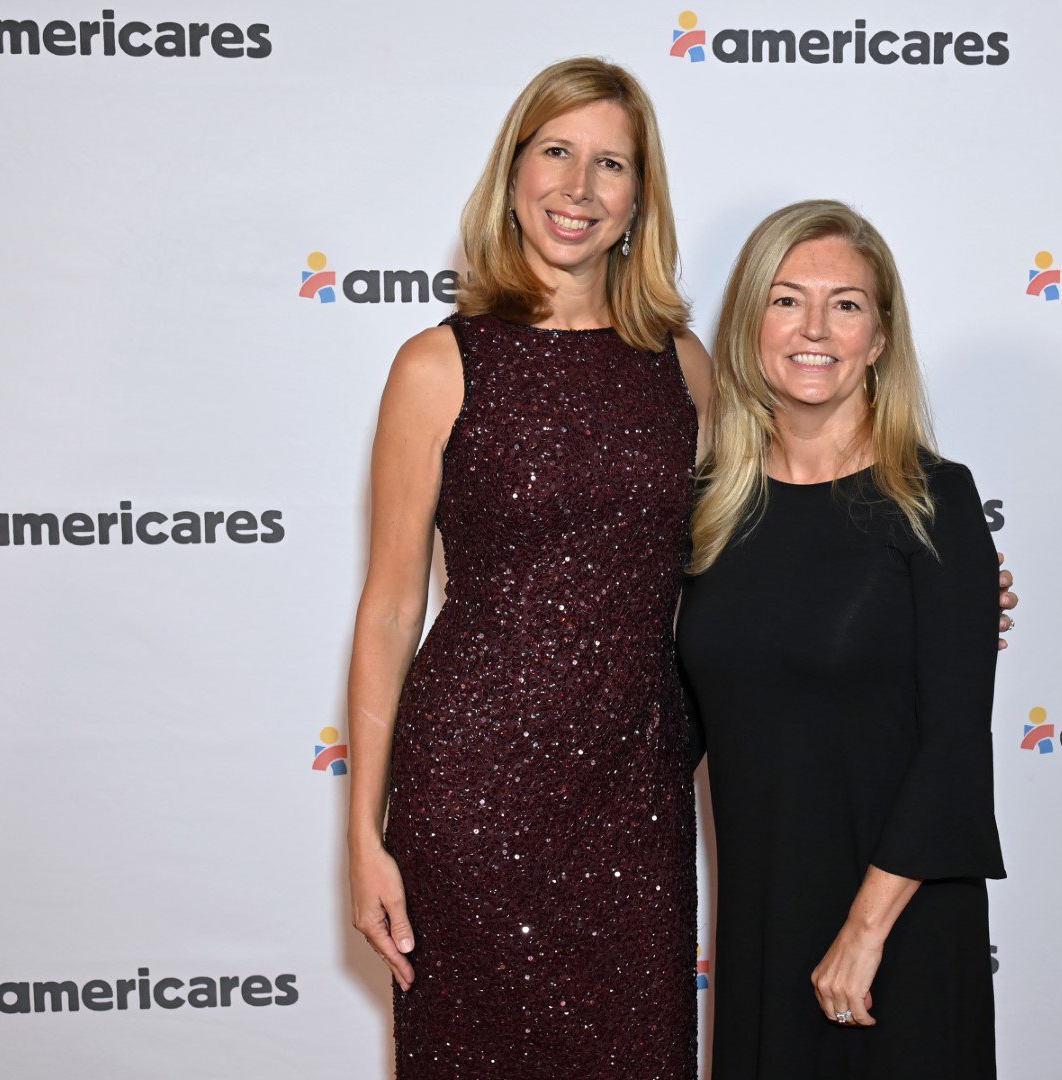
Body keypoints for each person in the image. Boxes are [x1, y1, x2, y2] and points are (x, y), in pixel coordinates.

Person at [343, 58, 711, 1078]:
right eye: (556, 152)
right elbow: (387, 609)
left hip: (634, 799)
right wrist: (363, 834)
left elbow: (753, 554)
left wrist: (929, 587)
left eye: (610, 165)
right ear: (513, 174)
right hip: (470, 796)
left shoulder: (683, 366)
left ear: (640, 199)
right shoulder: (438, 364)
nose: (579, 188)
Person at [677, 200, 1006, 1078]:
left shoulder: (935, 500)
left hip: (896, 926)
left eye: (846, 304)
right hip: (763, 921)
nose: (815, 328)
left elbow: (953, 756)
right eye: (786, 300)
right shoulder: (711, 509)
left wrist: (863, 936)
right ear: (751, 325)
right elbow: (672, 724)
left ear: (881, 337)